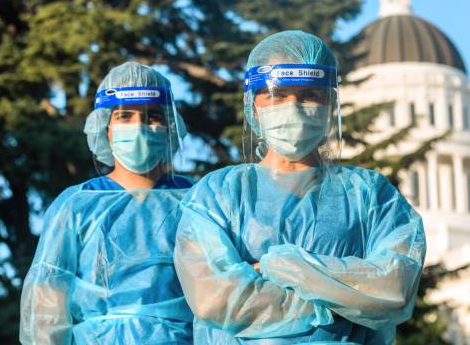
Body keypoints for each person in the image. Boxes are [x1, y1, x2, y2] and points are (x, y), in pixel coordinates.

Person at [173, 30, 426, 344]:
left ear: (330, 105)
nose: (292, 107)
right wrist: (342, 300)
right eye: (277, 95)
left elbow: (394, 288)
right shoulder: (217, 195)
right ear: (253, 106)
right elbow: (214, 297)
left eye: (309, 94)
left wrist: (278, 268)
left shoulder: (371, 196)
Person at [20, 61, 194, 344]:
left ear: (170, 126)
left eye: (152, 116)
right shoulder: (77, 205)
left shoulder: (199, 202)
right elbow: (46, 307)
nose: (139, 127)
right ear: (105, 128)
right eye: (125, 116)